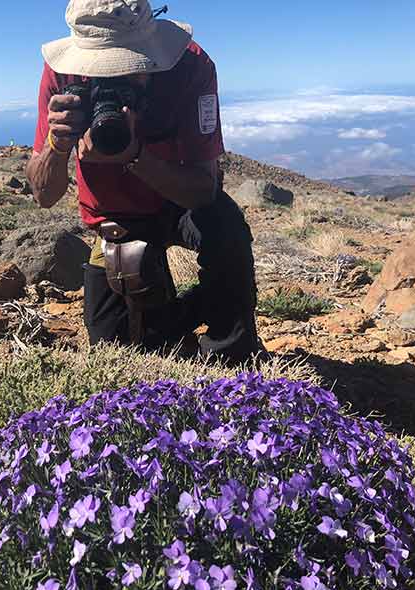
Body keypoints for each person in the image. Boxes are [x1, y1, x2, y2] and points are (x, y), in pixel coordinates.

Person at [27, 0, 263, 365]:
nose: (115, 82)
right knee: (118, 351)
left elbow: (202, 190)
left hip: (181, 200)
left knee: (225, 228)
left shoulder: (190, 66)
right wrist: (57, 147)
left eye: (128, 69)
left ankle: (232, 357)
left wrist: (136, 157)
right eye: (104, 74)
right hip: (115, 219)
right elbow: (44, 195)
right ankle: (169, 318)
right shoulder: (63, 76)